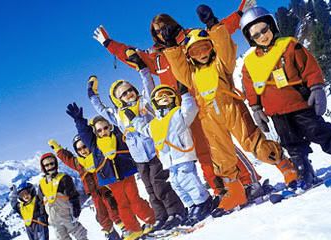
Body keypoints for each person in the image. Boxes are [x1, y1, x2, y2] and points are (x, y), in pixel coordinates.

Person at [92, 0, 261, 203]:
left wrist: (241, 13)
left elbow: (220, 30)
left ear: (173, 24)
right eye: (157, 31)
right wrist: (109, 43)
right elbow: (131, 54)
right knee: (202, 152)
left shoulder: (192, 38)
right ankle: (221, 190)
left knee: (220, 145)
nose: (162, 32)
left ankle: (248, 181)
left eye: (164, 27)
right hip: (181, 111)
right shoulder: (157, 57)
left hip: (205, 101)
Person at [162, 11, 299, 215]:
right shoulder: (190, 74)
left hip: (231, 108)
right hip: (208, 116)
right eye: (195, 52)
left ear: (211, 48)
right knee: (221, 156)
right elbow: (178, 68)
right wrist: (172, 46)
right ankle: (235, 192)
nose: (201, 54)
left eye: (205, 48)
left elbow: (225, 50)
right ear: (189, 56)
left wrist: (214, 26)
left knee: (253, 142)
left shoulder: (220, 65)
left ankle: (286, 167)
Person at [239, 7, 331, 188]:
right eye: (256, 35)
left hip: (299, 105)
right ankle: (305, 172)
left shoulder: (289, 47)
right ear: (251, 39)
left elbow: (309, 68)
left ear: (272, 26)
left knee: (320, 132)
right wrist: (256, 109)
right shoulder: (249, 64)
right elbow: (250, 88)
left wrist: (317, 88)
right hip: (276, 114)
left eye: (264, 30)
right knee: (292, 144)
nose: (262, 36)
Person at [87, 50, 186, 232]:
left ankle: (176, 212)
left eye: (129, 90)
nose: (128, 95)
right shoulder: (118, 115)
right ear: (117, 100)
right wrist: (92, 95)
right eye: (123, 94)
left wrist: (141, 67)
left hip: (155, 151)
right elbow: (102, 110)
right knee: (150, 189)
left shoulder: (145, 103)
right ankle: (161, 217)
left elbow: (148, 85)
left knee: (159, 185)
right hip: (139, 158)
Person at [65, 103, 155, 240]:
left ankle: (150, 219)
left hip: (126, 174)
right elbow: (84, 133)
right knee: (122, 205)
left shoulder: (117, 136)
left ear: (110, 127)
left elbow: (115, 119)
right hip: (111, 180)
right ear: (95, 133)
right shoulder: (94, 145)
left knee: (135, 200)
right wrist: (79, 120)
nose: (103, 132)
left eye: (105, 128)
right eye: (99, 130)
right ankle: (133, 229)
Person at [132, 82, 213, 225]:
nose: (164, 97)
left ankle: (203, 202)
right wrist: (134, 119)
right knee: (176, 184)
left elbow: (190, 110)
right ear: (155, 103)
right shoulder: (155, 124)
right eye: (159, 96)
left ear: (173, 99)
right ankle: (191, 205)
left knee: (187, 180)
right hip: (168, 161)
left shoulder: (178, 114)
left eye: (168, 95)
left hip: (182, 155)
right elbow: (144, 129)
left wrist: (185, 94)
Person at [48, 137, 123, 240]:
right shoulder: (79, 163)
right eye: (79, 149)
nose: (83, 150)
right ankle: (112, 235)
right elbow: (68, 159)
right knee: (101, 216)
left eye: (85, 147)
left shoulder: (98, 156)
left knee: (113, 210)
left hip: (106, 189)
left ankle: (126, 229)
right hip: (94, 193)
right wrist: (58, 149)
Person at [38, 152, 88, 240]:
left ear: (55, 164)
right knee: (61, 238)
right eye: (46, 165)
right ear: (43, 167)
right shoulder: (42, 183)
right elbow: (41, 202)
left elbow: (73, 196)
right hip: (53, 219)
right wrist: (43, 217)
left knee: (79, 234)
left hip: (67, 215)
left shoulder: (64, 178)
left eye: (51, 163)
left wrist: (76, 209)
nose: (50, 167)